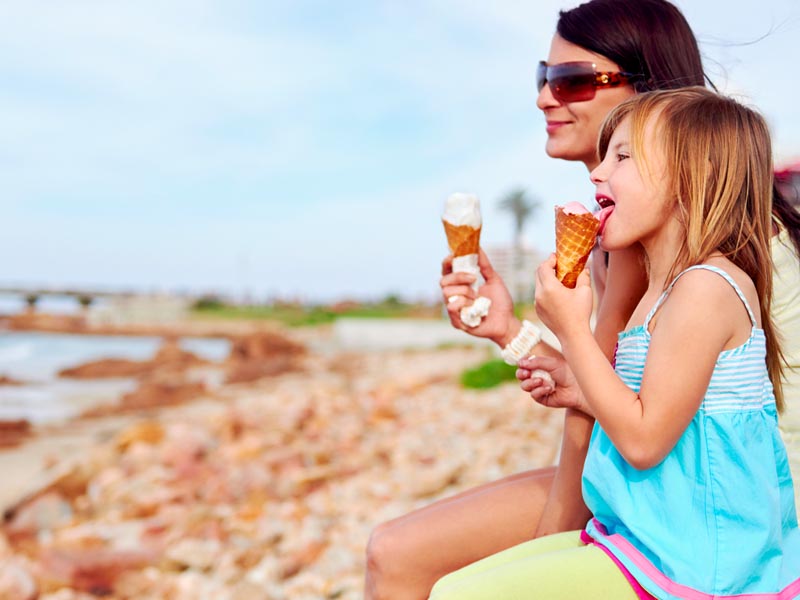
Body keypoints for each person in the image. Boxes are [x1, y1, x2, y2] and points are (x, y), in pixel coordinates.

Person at [365, 2, 712, 598]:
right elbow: (600, 384)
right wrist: (507, 331)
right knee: (392, 550)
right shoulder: (621, 231)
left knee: (398, 557)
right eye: (542, 77)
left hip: (710, 504)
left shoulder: (680, 240)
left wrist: (548, 544)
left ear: (649, 93)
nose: (545, 98)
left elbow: (602, 415)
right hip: (653, 479)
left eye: (572, 80)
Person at [430, 86, 800, 599]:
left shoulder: (706, 287)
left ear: (696, 176)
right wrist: (555, 368)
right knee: (452, 586)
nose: (597, 172)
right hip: (641, 539)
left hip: (696, 566)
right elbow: (649, 404)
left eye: (622, 156)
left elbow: (644, 441)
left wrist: (572, 330)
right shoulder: (657, 289)